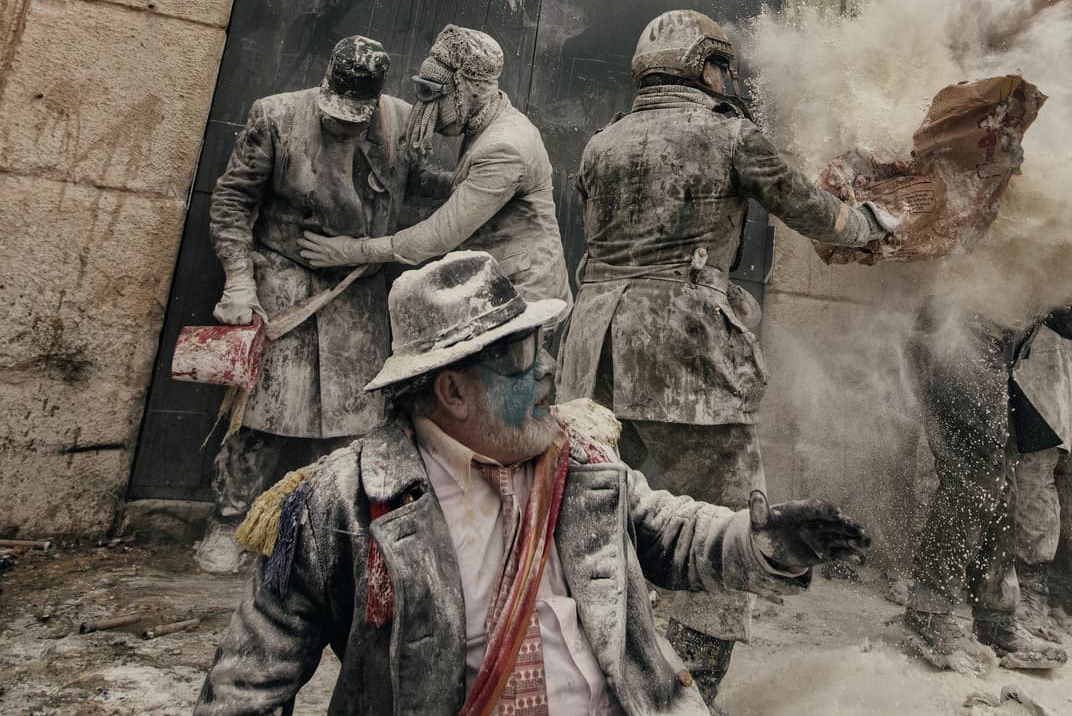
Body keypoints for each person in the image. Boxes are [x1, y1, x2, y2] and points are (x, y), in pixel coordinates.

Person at [196, 250, 870, 715]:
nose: (551, 370)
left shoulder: (581, 459)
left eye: (545, 344)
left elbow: (675, 533)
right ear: (452, 389)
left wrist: (762, 543)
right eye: (523, 358)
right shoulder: (337, 504)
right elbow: (245, 685)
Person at [556, 9, 894, 707]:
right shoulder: (730, 134)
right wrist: (873, 224)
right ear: (705, 66)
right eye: (722, 66)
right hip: (686, 357)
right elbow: (813, 210)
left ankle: (592, 678)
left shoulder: (600, 144)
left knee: (599, 515)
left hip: (591, 352)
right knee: (727, 525)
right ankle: (688, 696)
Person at [197, 36, 414, 574]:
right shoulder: (274, 116)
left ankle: (338, 534)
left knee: (358, 422)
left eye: (354, 119)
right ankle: (229, 520)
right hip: (283, 279)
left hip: (359, 286)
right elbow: (233, 199)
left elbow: (431, 189)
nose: (343, 125)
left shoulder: (404, 125)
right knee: (263, 413)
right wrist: (239, 281)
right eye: (335, 115)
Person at [296, 25, 573, 323]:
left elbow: (438, 235)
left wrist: (351, 250)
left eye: (434, 94)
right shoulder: (485, 123)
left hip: (528, 297)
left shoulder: (505, 146)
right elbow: (465, 189)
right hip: (501, 287)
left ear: (470, 89)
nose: (425, 106)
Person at [904, 296, 1072, 673]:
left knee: (1001, 481)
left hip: (997, 351)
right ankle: (928, 612)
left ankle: (996, 621)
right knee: (975, 473)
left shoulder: (1052, 241)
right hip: (955, 335)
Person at [1009, 296, 1072, 616]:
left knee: (1033, 479)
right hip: (997, 366)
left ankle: (1031, 590)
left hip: (1042, 376)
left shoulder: (1070, 254)